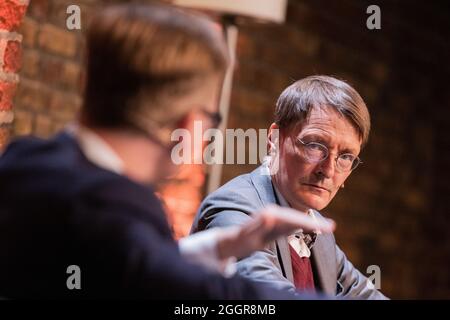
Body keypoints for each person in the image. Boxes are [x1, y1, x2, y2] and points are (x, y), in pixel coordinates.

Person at [0, 4, 334, 299]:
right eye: (211, 117)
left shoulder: (23, 160)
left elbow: (136, 270)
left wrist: (219, 246)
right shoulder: (114, 212)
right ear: (188, 123)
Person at [192, 75, 388, 299]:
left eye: (345, 156)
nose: (329, 171)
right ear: (275, 139)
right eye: (315, 145)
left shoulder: (318, 231)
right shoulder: (236, 208)